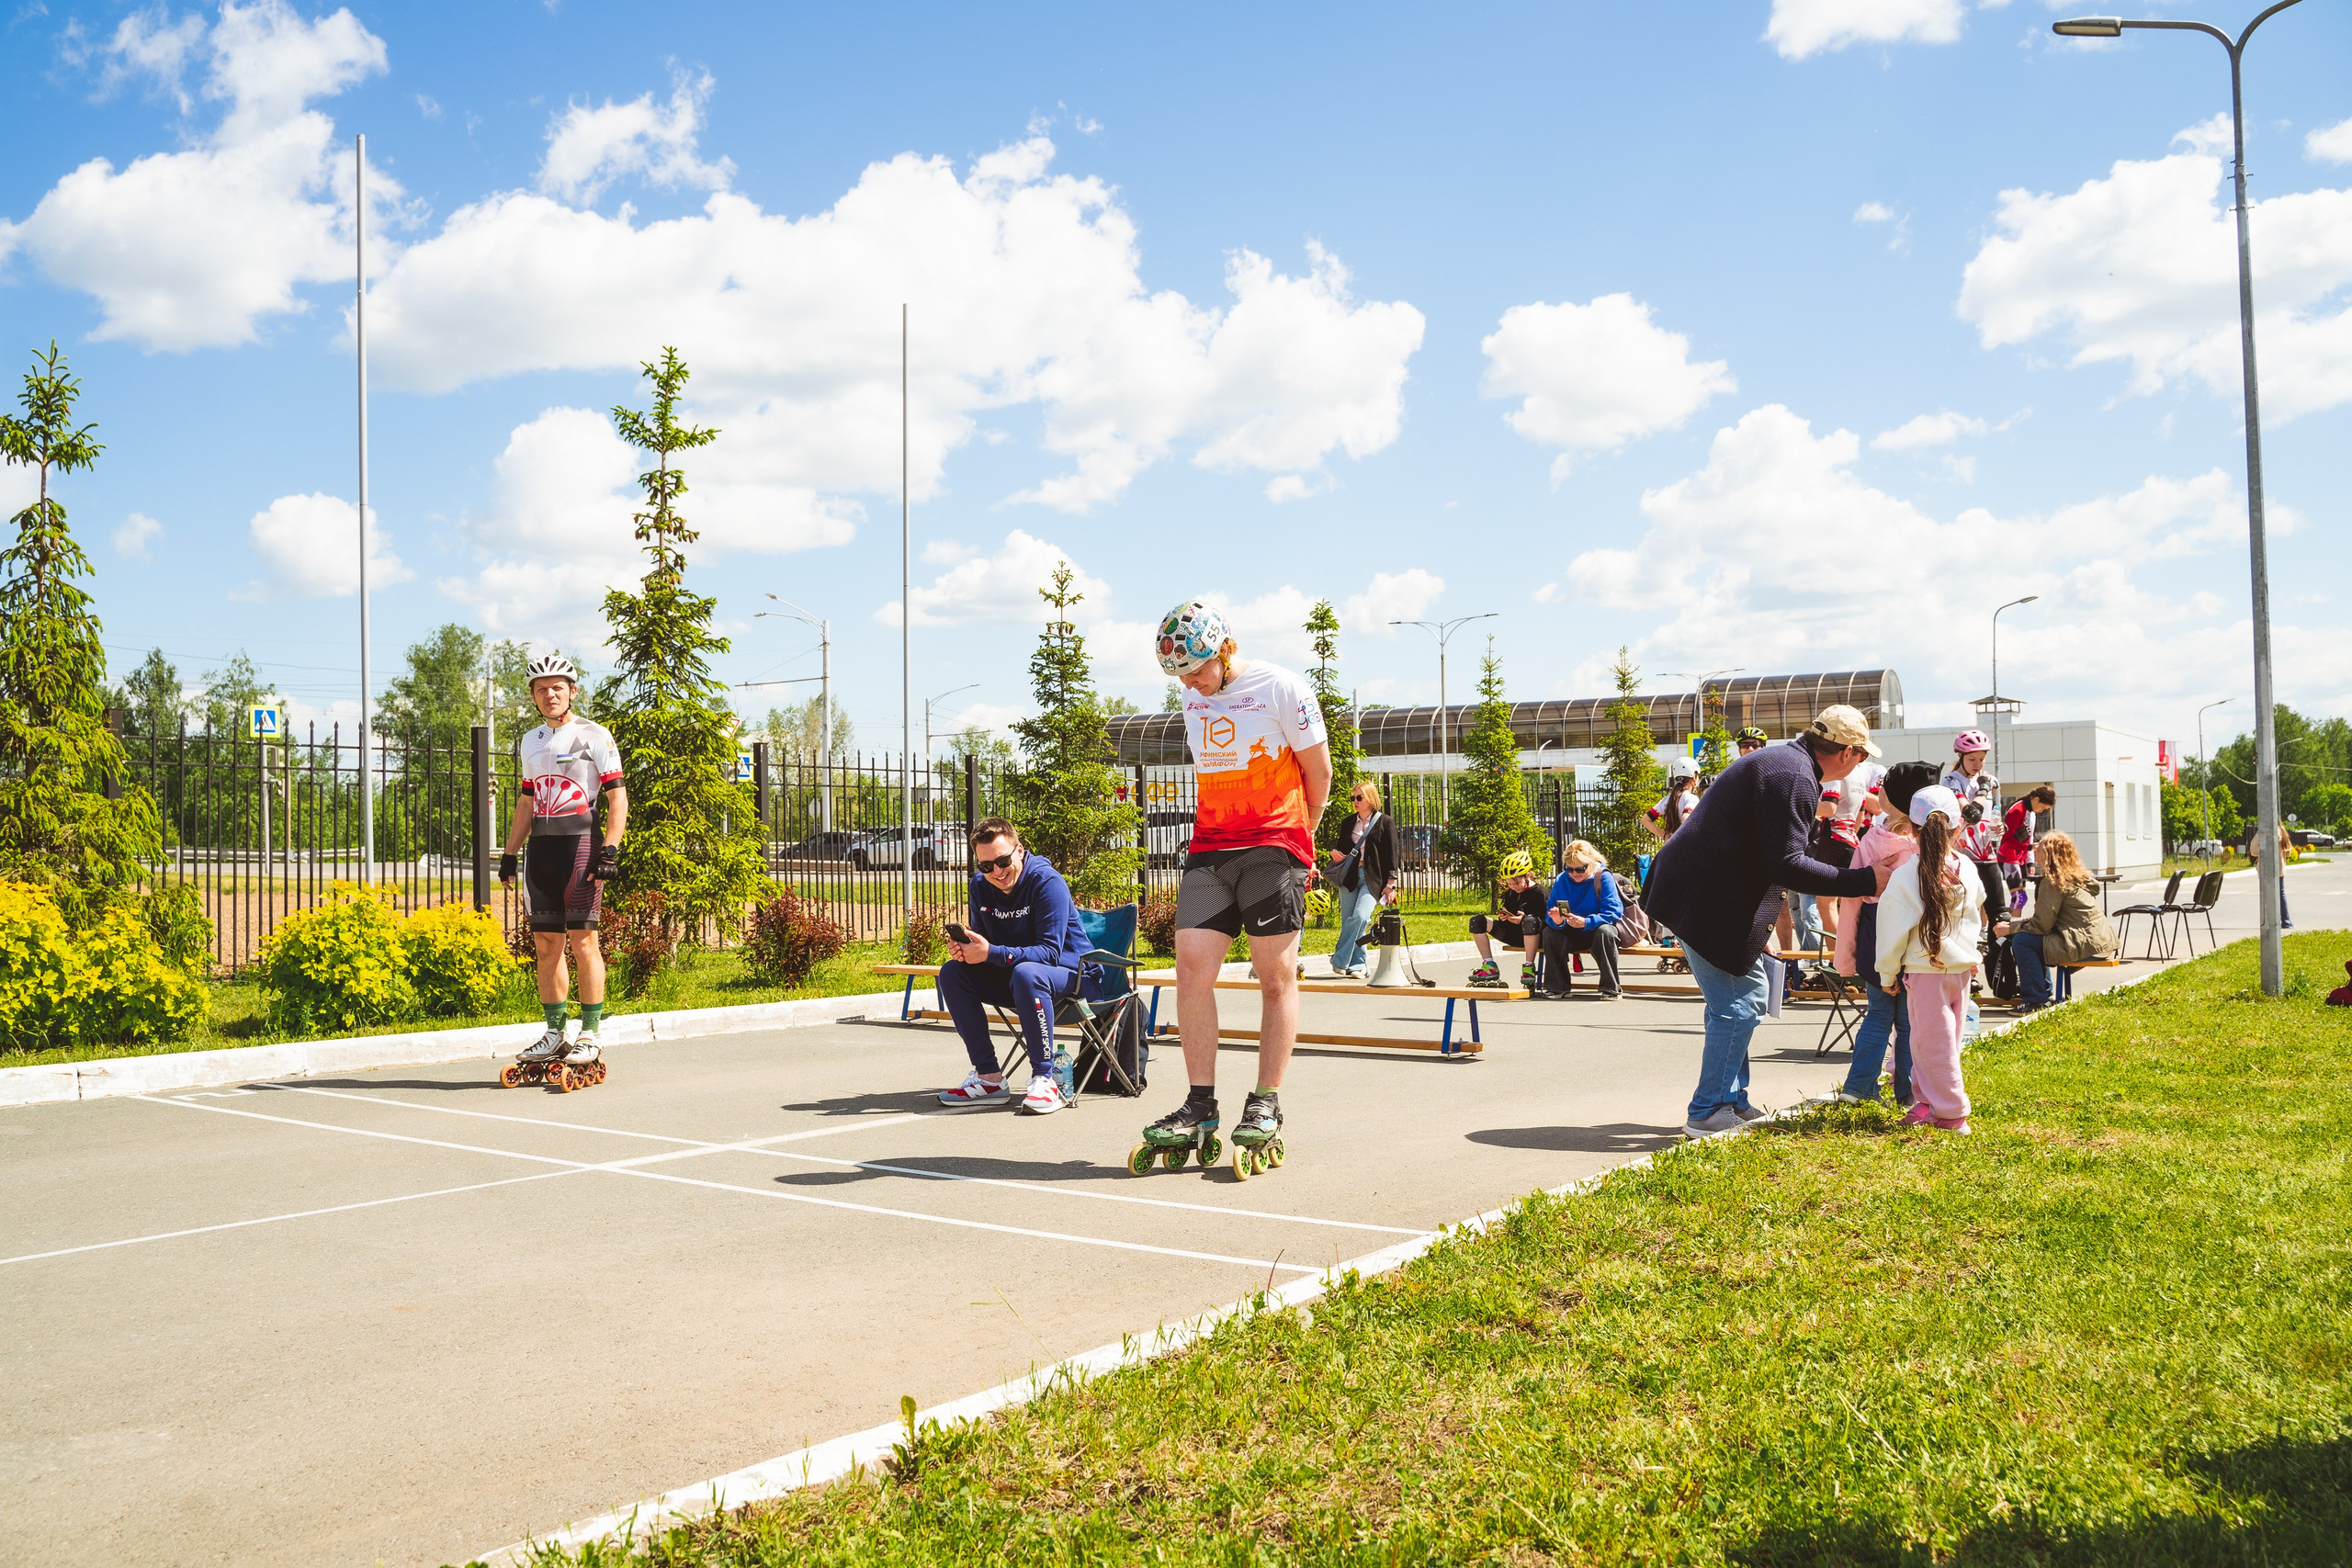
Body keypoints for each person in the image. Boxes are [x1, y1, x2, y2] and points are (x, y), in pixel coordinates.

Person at [1136, 602, 1331, 1177]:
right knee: (1191, 966)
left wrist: (1303, 838)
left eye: (1197, 670)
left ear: (1224, 650)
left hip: (1274, 843)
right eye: (1181, 676)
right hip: (1211, 844)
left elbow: (1318, 772)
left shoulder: (1282, 687)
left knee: (1275, 975)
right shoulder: (1194, 693)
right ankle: (1200, 1104)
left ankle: (1266, 1100)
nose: (1191, 684)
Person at [1645, 705, 1894, 1140]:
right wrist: (1864, 879)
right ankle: (1708, 1112)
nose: (1862, 765)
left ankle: (1732, 1101)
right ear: (1847, 751)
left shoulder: (1787, 763)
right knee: (1738, 1003)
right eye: (1862, 756)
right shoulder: (1794, 775)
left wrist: (1757, 931)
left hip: (1703, 893)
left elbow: (1757, 859)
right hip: (1701, 898)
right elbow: (1786, 865)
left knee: (1744, 997)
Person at [497, 654, 628, 1073]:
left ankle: (590, 1032)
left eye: (558, 687)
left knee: (583, 941)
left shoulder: (595, 735)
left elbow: (616, 797)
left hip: (582, 849)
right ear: (533, 697)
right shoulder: (530, 741)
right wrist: (510, 852)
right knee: (546, 945)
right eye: (541, 689)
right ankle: (556, 1033)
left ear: (572, 691)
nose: (550, 694)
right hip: (542, 853)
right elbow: (526, 799)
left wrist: (610, 849)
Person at [933, 818, 1089, 1113]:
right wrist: (970, 951)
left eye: (1003, 861)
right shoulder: (980, 886)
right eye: (986, 866)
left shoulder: (1047, 882)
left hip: (1075, 978)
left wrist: (990, 952)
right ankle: (989, 1078)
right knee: (952, 973)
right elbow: (989, 946)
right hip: (1019, 979)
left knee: (1027, 972)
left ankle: (1045, 1079)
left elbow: (1049, 953)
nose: (997, 872)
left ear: (1020, 850)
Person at [1875, 785, 1983, 1134]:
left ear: (1911, 829)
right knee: (1941, 1040)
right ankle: (1927, 1103)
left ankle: (1952, 1114)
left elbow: (1891, 931)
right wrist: (1972, 954)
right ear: (1958, 828)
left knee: (1929, 1042)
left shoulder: (1907, 875)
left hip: (1925, 972)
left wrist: (1886, 974)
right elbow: (1974, 916)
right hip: (1961, 968)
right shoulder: (1967, 868)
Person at [1829, 761, 1937, 1108]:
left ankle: (1857, 1087)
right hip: (1916, 937)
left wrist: (1846, 955)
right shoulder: (1927, 847)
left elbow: (1851, 904)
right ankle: (1907, 1094)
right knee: (1908, 1022)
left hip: (1876, 934)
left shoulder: (1872, 840)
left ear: (1891, 798)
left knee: (1877, 1014)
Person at [1993, 831, 2118, 1010]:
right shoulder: (2074, 876)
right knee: (2032, 938)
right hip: (2099, 941)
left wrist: (2011, 929)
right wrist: (2015, 927)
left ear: (2050, 854)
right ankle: (2044, 993)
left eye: (2040, 847)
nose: (2035, 850)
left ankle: (2036, 1000)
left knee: (2023, 941)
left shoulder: (2054, 881)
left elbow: (2041, 925)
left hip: (2085, 943)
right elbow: (2045, 920)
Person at [1325, 781, 1399, 978]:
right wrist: (1334, 853)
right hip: (1349, 877)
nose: (1355, 801)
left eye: (1359, 798)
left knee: (1360, 917)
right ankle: (1358, 965)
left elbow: (1391, 855)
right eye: (1353, 798)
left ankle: (1340, 959)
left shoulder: (1385, 822)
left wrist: (1390, 884)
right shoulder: (1348, 822)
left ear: (1370, 798)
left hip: (1372, 879)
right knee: (1349, 921)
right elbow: (1340, 848)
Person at [1541, 840, 1623, 999]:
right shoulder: (1561, 879)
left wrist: (1586, 922)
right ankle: (1558, 987)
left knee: (1605, 931)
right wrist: (1557, 921)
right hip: (1572, 931)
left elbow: (1614, 912)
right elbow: (1549, 912)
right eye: (1569, 869)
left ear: (1590, 864)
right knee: (1549, 932)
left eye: (1580, 868)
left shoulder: (1603, 877)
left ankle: (1611, 988)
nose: (1574, 873)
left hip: (1597, 931)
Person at [1946, 730, 2006, 927]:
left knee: (2000, 915)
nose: (1977, 764)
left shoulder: (1986, 781)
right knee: (1964, 915)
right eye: (1972, 759)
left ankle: (1994, 956)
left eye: (1981, 759)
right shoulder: (1951, 781)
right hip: (1962, 856)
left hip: (1988, 855)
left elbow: (1988, 816)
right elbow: (1971, 815)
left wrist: (2000, 827)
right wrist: (1984, 789)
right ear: (1960, 756)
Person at [1466, 848, 1546, 989]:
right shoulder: (1511, 892)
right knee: (1477, 921)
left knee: (1529, 922)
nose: (1513, 887)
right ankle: (1489, 965)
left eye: (1516, 883)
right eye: (1509, 884)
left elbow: (1547, 922)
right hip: (1514, 934)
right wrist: (1504, 915)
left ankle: (1528, 968)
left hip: (1536, 937)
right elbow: (1508, 910)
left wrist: (1523, 920)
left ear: (1528, 875)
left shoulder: (1541, 893)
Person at [2247, 820, 2295, 929]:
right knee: (2281, 893)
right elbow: (2288, 852)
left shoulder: (2261, 833)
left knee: (2266, 895)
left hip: (2265, 869)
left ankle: (2269, 921)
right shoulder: (2282, 832)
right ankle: (2286, 920)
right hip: (2279, 868)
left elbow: (2253, 851)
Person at [1645, 756, 1702, 841]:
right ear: (1694, 776)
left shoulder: (1669, 799)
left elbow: (1646, 820)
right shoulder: (1692, 799)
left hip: (1670, 847)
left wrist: (1664, 836)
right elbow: (1685, 819)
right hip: (1685, 848)